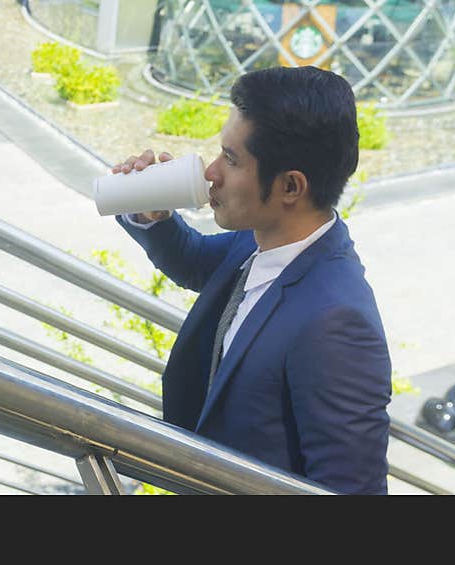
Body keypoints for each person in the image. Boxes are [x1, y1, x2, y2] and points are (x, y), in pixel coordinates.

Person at [115, 66, 392, 494]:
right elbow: (194, 261)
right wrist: (151, 213)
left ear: (290, 187)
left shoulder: (336, 323)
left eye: (230, 158)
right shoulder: (258, 240)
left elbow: (351, 492)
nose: (211, 172)